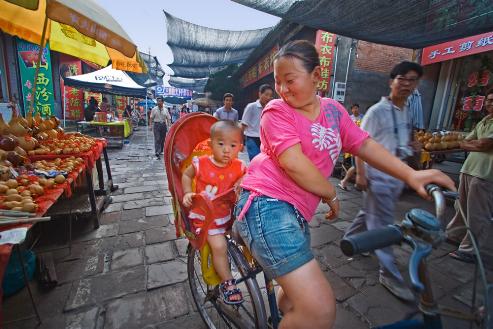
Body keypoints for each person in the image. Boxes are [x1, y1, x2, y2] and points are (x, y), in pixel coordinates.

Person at [233, 41, 454, 328]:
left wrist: (410, 175)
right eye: (277, 82)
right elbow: (294, 163)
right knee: (319, 310)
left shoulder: (334, 111)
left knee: (294, 303)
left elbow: (364, 144)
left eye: (290, 80)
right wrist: (330, 193)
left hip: (296, 213)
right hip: (266, 205)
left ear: (316, 75)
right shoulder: (276, 111)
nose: (282, 89)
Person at [345, 61, 428, 302]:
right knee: (382, 227)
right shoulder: (376, 112)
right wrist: (360, 173)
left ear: (417, 84)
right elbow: (359, 144)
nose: (406, 84)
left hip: (395, 177)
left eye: (411, 80)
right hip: (377, 177)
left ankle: (350, 240)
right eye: (401, 78)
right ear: (391, 81)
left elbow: (402, 140)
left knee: (368, 214)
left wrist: (412, 147)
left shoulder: (407, 110)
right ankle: (389, 274)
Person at [182, 120, 246, 304]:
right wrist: (188, 192)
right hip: (206, 218)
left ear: (239, 147)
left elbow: (250, 173)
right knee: (219, 247)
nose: (227, 150)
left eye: (232, 145)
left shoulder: (239, 166)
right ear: (210, 145)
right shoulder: (201, 163)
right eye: (221, 144)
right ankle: (228, 283)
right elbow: (187, 175)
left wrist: (243, 178)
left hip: (228, 215)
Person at [446, 88, 493, 264]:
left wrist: (472, 144)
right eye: (488, 100)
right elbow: (465, 141)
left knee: (478, 213)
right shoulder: (484, 121)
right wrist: (473, 144)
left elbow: (483, 144)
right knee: (462, 207)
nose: (490, 103)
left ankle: (471, 250)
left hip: (485, 173)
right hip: (469, 169)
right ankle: (455, 235)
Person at [241, 84, 274, 160]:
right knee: (255, 159)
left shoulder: (270, 108)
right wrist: (241, 142)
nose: (268, 97)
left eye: (270, 95)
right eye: (266, 95)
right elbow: (243, 125)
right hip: (252, 138)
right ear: (260, 94)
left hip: (265, 139)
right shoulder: (251, 106)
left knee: (264, 161)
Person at [338, 104, 363, 190]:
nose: (356, 110)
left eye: (357, 108)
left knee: (356, 165)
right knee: (355, 165)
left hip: (360, 142)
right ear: (351, 110)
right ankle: (344, 181)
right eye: (354, 108)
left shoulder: (362, 117)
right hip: (353, 143)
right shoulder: (349, 118)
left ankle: (345, 181)